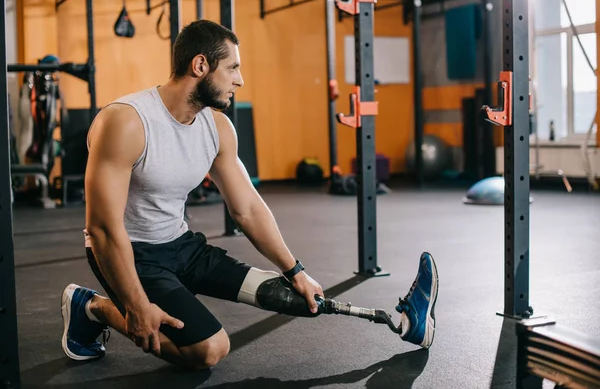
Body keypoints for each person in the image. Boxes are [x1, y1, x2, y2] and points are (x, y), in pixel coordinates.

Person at [60, 20, 439, 371]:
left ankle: (402, 321)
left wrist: (295, 270)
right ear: (200, 66)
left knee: (297, 299)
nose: (239, 80)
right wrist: (136, 307)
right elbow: (103, 229)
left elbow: (248, 210)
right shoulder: (126, 122)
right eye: (233, 68)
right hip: (130, 253)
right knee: (208, 350)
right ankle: (92, 307)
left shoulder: (217, 128)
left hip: (181, 246)